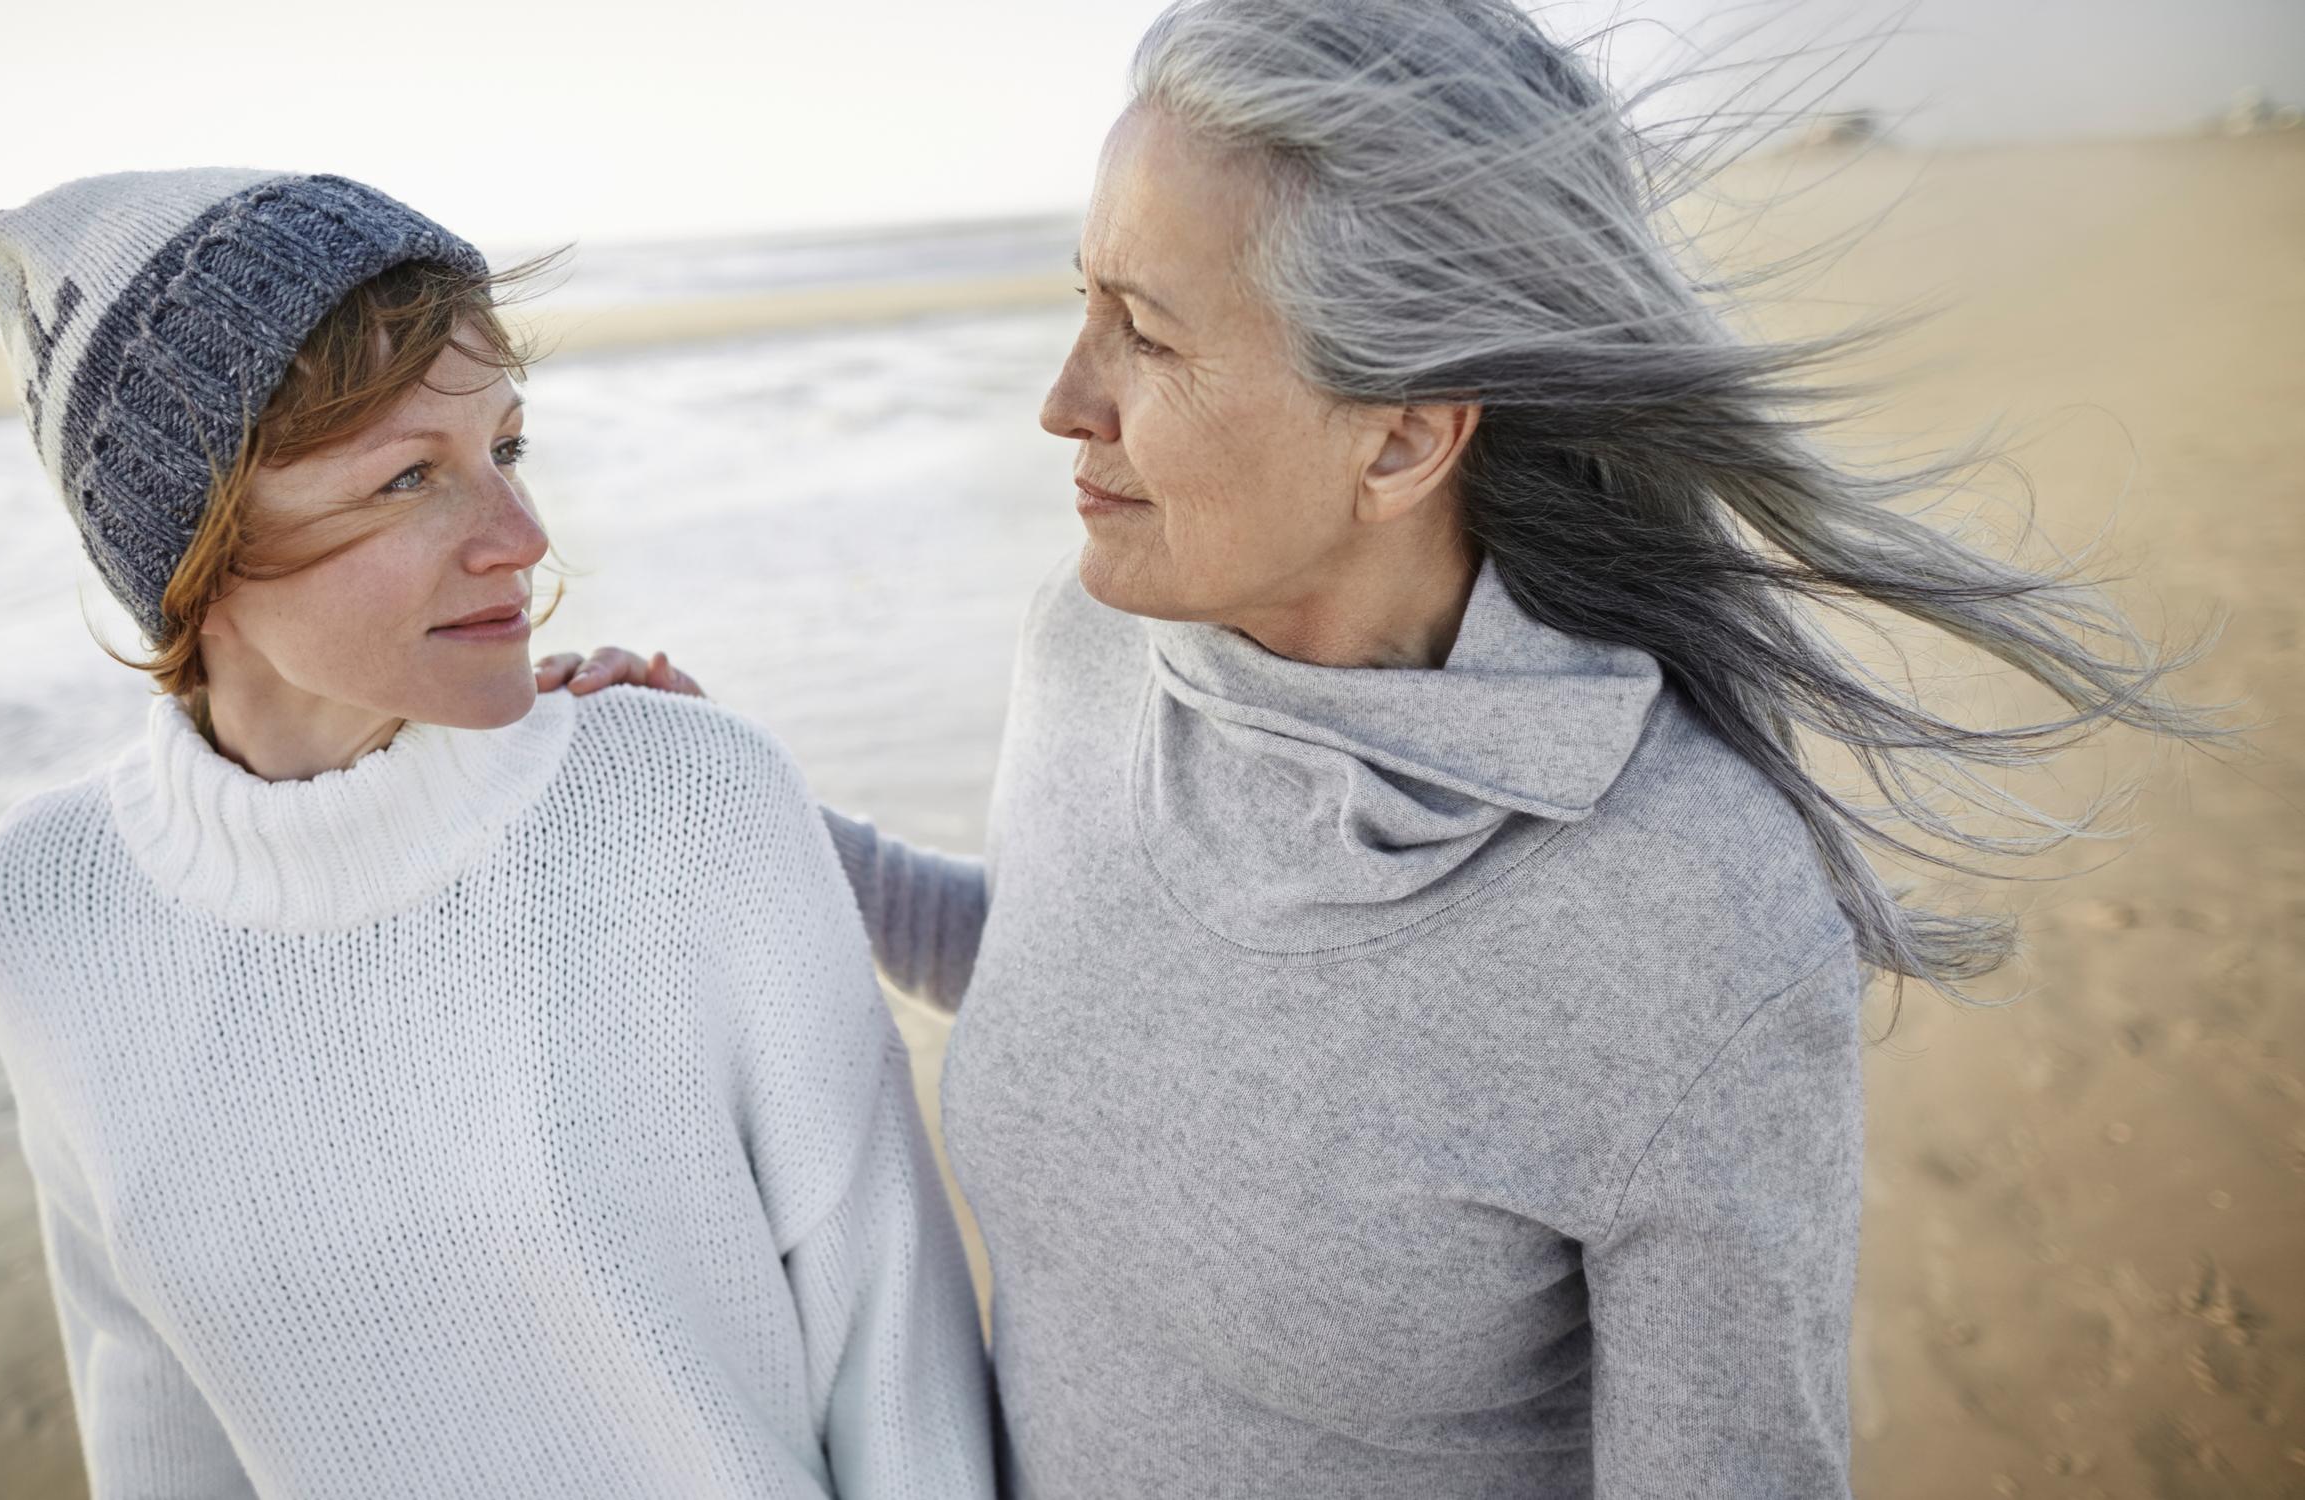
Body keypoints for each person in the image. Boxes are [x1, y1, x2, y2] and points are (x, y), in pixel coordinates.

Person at [543, 1, 2220, 1494]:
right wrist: (745, 809)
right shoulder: (1098, 645)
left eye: (1148, 329)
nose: (1062, 397)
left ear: (1403, 437)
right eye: (1080, 301)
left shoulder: (1685, 922)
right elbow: (1086, 984)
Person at [0, 168, 993, 1500]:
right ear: (191, 548)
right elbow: (145, 1400)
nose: (521, 537)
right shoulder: (47, 909)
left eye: (504, 449)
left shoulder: (691, 801)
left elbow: (898, 1378)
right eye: (407, 479)